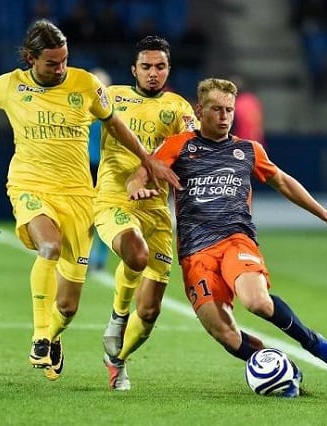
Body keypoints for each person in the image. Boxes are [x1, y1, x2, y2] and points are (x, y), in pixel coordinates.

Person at [0, 19, 179, 381]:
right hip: (30, 184)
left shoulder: (85, 84)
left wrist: (146, 159)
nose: (60, 69)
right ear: (30, 58)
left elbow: (114, 123)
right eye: (51, 63)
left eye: (64, 60)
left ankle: (54, 335)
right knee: (49, 247)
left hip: (77, 196)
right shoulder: (10, 85)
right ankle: (40, 336)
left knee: (68, 306)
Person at [127, 78, 327, 382]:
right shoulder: (180, 145)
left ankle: (313, 342)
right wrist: (135, 187)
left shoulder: (247, 149)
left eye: (229, 110)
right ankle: (280, 371)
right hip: (195, 252)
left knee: (256, 301)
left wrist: (324, 214)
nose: (224, 116)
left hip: (236, 239)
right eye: (217, 109)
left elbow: (283, 181)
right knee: (224, 333)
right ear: (200, 110)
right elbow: (143, 172)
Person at [94, 35, 197, 390]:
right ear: (133, 69)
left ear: (168, 69)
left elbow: (192, 146)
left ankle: (116, 359)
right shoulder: (113, 98)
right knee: (135, 253)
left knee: (151, 311)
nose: (153, 73)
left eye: (160, 67)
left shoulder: (179, 108)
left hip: (156, 210)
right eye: (146, 66)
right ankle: (117, 321)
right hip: (114, 199)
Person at [87, 67, 112, 271]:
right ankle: (87, 255)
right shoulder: (81, 107)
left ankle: (98, 256)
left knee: (102, 213)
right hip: (85, 165)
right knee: (86, 213)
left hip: (102, 166)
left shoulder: (111, 110)